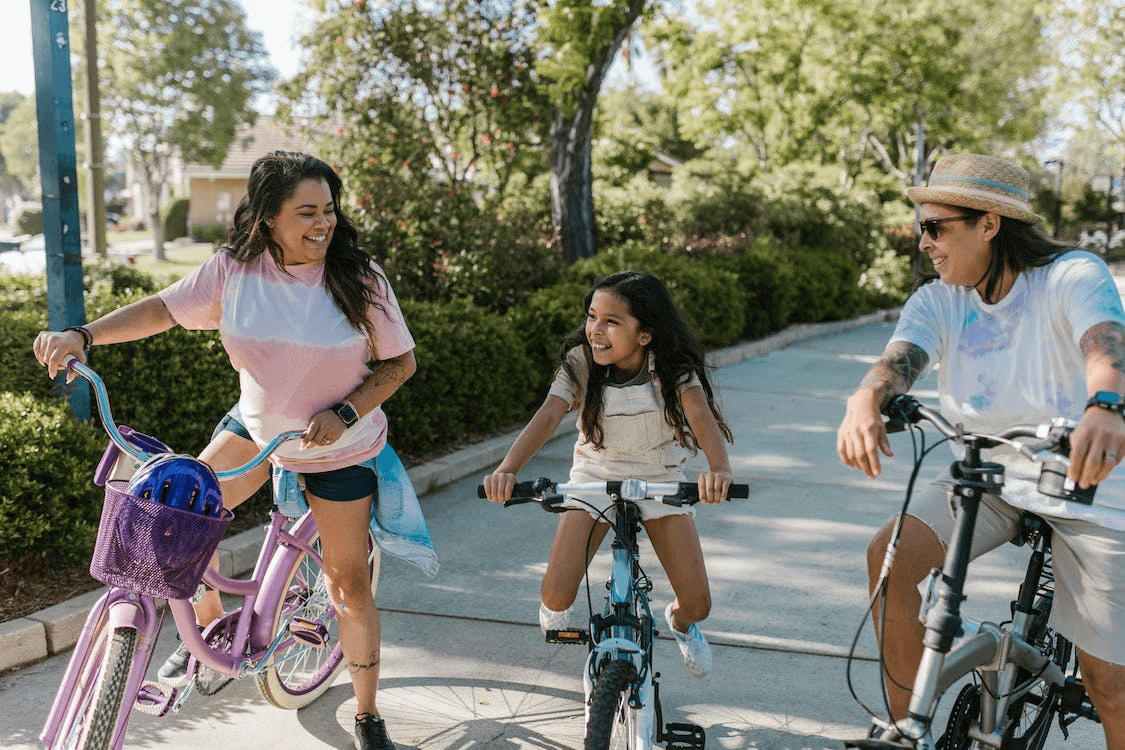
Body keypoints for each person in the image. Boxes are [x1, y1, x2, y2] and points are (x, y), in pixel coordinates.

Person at [33, 151, 433, 750]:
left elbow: (401, 362)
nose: (322, 223)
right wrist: (83, 335)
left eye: (328, 210)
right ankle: (212, 629)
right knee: (179, 517)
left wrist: (345, 411)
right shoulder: (234, 271)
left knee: (348, 584)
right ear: (269, 216)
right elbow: (163, 310)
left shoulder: (359, 277)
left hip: (335, 446)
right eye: (305, 212)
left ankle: (368, 713)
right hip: (255, 428)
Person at [836, 153, 1125, 749]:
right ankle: (903, 727)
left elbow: (1106, 343)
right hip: (988, 477)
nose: (924, 243)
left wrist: (1106, 404)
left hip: (1087, 480)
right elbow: (898, 361)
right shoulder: (942, 298)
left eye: (936, 227)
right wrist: (866, 398)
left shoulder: (1072, 275)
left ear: (989, 223)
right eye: (922, 226)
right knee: (889, 562)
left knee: (1108, 682)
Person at [482, 270, 737, 677]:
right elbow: (549, 414)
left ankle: (680, 625)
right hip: (594, 474)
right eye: (591, 316)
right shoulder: (582, 362)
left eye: (611, 321)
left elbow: (701, 419)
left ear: (645, 335)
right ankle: (560, 606)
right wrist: (507, 469)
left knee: (698, 603)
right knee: (558, 595)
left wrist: (719, 470)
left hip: (659, 476)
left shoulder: (671, 369)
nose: (595, 330)